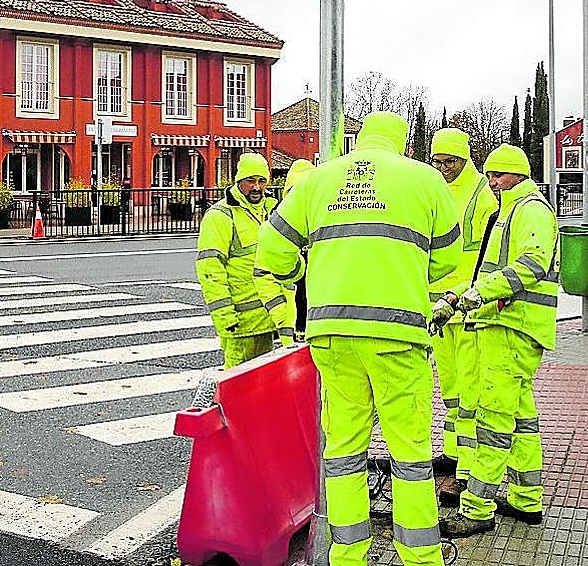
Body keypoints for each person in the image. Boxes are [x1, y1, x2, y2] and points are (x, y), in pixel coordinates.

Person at [256, 112, 462, 566]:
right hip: (397, 335)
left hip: (331, 336)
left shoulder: (319, 180)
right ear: (402, 142)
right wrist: (405, 272)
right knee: (409, 454)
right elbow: (448, 260)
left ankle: (348, 556)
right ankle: (421, 556)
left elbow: (272, 251)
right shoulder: (424, 180)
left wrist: (306, 273)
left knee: (345, 451)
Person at [432, 143, 559, 539]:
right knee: (521, 420)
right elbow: (489, 270)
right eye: (489, 175)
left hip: (512, 326)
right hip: (505, 325)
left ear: (518, 175)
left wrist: (478, 294)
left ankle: (477, 508)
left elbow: (533, 264)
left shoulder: (531, 209)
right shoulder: (509, 210)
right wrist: (456, 299)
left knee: (492, 418)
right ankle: (526, 499)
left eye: (499, 175)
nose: (493, 183)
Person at [425, 129, 499, 507]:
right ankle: (453, 454)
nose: (442, 167)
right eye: (437, 161)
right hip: (439, 307)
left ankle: (467, 470)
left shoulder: (481, 196)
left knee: (470, 392)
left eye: (449, 161)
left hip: (467, 307)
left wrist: (471, 297)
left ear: (465, 159)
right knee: (451, 391)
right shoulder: (436, 189)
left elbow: (488, 256)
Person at [195, 152, 277, 368]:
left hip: (269, 318)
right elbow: (210, 269)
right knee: (237, 385)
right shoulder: (220, 215)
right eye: (250, 181)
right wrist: (224, 317)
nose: (256, 187)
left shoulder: (273, 210)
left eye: (261, 181)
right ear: (238, 181)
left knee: (264, 386)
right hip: (240, 322)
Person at [255, 158, 315, 345]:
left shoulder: (322, 221)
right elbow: (264, 273)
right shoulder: (279, 223)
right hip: (291, 321)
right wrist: (281, 316)